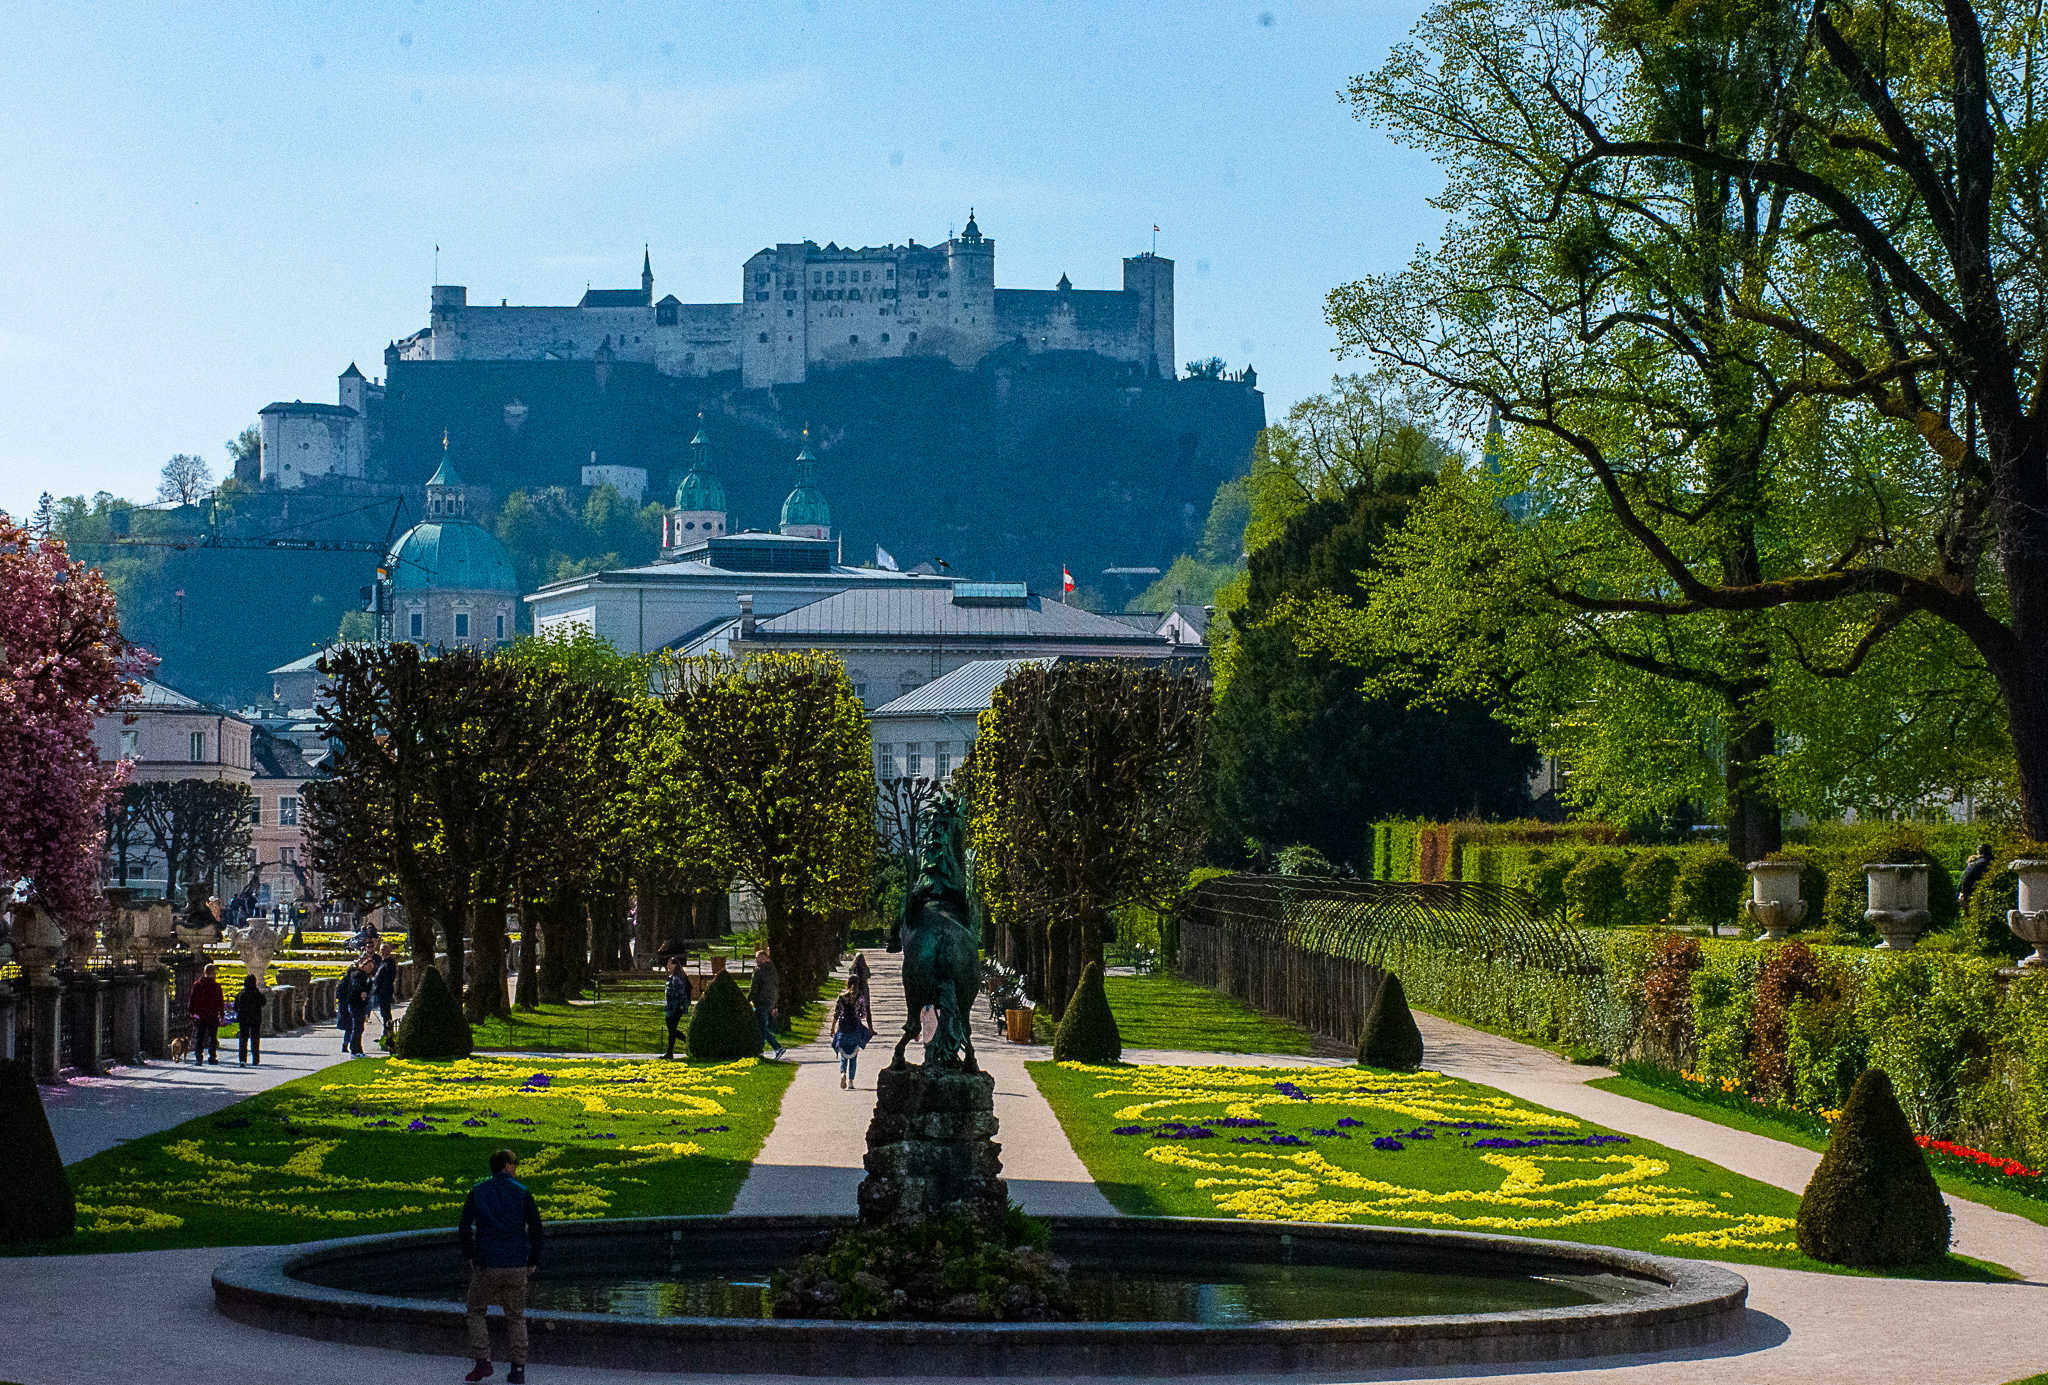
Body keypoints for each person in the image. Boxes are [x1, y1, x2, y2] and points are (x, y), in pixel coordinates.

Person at [458, 1148, 543, 1384]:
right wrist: (533, 1260)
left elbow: (464, 1227)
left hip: (488, 1263)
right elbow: (536, 1229)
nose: (516, 1168)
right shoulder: (522, 1192)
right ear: (507, 1166)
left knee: (475, 1310)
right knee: (516, 1316)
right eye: (515, 1164)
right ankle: (518, 1369)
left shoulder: (478, 1191)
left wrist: (470, 1255)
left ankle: (483, 1361)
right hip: (516, 1263)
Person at [830, 979, 871, 1089]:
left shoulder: (842, 997)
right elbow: (864, 1014)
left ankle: (843, 1073)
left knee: (844, 1055)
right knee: (853, 1056)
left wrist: (832, 1028)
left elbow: (836, 1013)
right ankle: (851, 1081)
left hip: (843, 1029)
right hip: (855, 1029)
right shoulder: (860, 998)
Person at [750, 947, 784, 1060]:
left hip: (761, 1002)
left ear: (766, 959)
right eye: (757, 958)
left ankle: (777, 1047)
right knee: (762, 1026)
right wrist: (775, 1004)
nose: (759, 960)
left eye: (761, 958)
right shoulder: (773, 970)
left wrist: (748, 999)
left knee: (761, 1027)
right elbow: (776, 987)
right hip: (770, 1002)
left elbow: (754, 988)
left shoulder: (758, 971)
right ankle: (760, 1051)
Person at [188, 963, 225, 1066]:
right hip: (212, 1015)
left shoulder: (197, 985)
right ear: (213, 973)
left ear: (204, 972)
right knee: (212, 1037)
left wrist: (192, 1013)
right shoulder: (216, 986)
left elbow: (192, 1000)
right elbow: (220, 1003)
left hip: (200, 1015)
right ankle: (212, 1058)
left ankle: (198, 1058)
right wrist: (222, 1016)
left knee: (199, 1037)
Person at [661, 955, 693, 1060]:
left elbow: (680, 993)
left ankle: (688, 1042)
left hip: (674, 1008)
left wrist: (680, 1007)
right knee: (672, 1030)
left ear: (674, 965)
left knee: (672, 1030)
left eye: (669, 964)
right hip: (673, 1007)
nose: (667, 966)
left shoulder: (676, 978)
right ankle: (670, 1053)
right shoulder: (677, 976)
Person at [340, 956, 374, 1057]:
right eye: (368, 966)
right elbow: (355, 985)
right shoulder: (358, 974)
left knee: (360, 1027)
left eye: (371, 967)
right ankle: (355, 1049)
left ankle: (358, 1048)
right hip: (355, 1003)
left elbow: (367, 990)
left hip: (360, 1004)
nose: (369, 969)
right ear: (364, 965)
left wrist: (370, 983)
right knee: (357, 1027)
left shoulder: (366, 976)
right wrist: (361, 991)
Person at [234, 975, 266, 1066]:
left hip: (244, 1019)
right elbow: (263, 1002)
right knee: (255, 1039)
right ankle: (255, 1059)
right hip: (255, 1018)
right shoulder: (257, 994)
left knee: (243, 1039)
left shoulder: (241, 994)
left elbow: (236, 1006)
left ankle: (242, 1059)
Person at [372, 944, 399, 1039]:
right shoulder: (381, 962)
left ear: (389, 951)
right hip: (380, 991)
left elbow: (389, 978)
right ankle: (386, 1032)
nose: (382, 952)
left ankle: (388, 1033)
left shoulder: (390, 962)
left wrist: (383, 988)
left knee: (386, 1012)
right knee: (383, 1012)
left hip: (385, 991)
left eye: (384, 950)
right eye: (381, 950)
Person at [1960, 843, 1995, 908]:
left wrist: (1964, 894)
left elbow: (1965, 880)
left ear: (1979, 852)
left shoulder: (1974, 865)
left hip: (1974, 895)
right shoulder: (1996, 862)